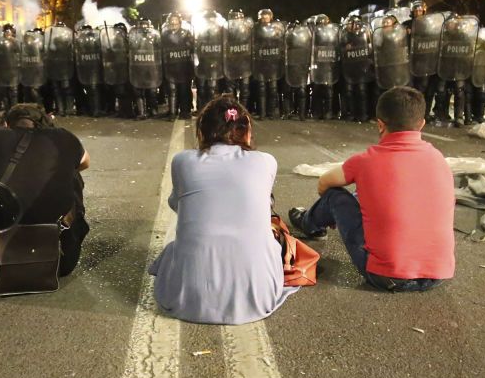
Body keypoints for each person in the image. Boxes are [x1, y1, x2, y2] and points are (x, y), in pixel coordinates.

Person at [288, 86, 455, 292]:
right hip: (437, 274)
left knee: (335, 196)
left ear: (380, 125)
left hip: (386, 276)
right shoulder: (439, 159)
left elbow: (324, 182)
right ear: (421, 124)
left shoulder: (366, 161)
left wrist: (338, 213)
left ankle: (309, 223)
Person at [149, 96, 295, 324]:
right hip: (257, 298)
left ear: (202, 132)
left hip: (188, 300)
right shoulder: (266, 161)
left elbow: (176, 205)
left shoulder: (183, 161)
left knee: (177, 229)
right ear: (246, 132)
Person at [0, 103, 91, 278]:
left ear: (6, 124)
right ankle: (66, 232)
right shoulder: (63, 137)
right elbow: (84, 163)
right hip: (60, 261)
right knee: (73, 175)